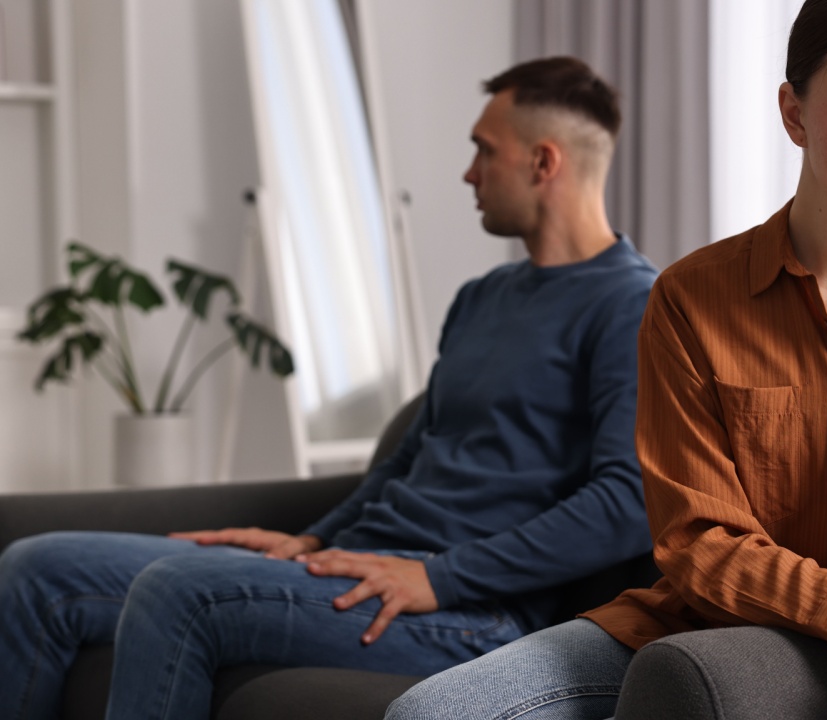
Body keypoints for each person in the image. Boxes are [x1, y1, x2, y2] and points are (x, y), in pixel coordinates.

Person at [386, 1, 827, 717]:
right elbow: (698, 542)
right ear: (794, 114)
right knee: (434, 713)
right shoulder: (692, 298)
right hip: (709, 636)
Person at [0, 56, 657, 720]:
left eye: (484, 151)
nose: (469, 172)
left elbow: (628, 502)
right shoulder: (482, 297)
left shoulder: (630, 305)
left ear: (543, 163)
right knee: (36, 569)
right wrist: (311, 540)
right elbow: (408, 459)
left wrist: (440, 576)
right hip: (364, 562)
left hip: (471, 610)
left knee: (178, 589)